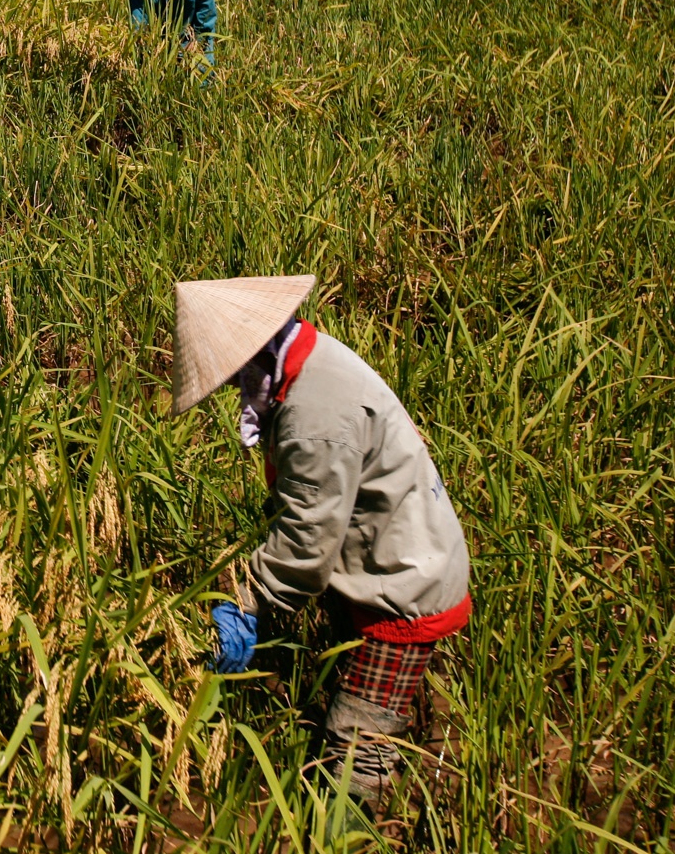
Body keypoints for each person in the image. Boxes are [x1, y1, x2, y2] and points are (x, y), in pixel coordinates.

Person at [172, 274, 471, 804]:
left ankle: (351, 826)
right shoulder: (311, 361)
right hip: (390, 553)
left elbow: (307, 547)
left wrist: (245, 602)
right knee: (376, 712)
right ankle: (415, 774)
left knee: (356, 746)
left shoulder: (314, 415)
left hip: (403, 589)